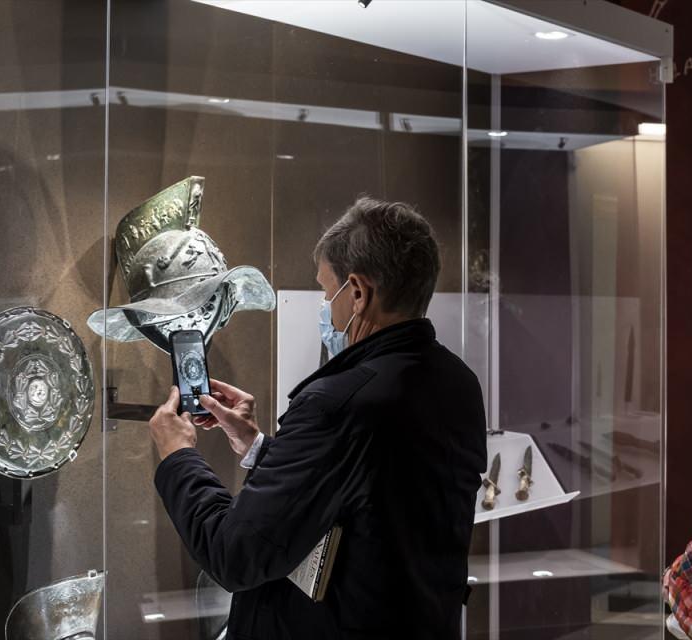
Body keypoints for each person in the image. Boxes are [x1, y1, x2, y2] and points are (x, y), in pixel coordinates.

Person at [148, 197, 488, 639]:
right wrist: (258, 447)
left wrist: (178, 456)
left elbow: (235, 555)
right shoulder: (458, 382)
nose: (327, 306)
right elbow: (366, 496)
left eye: (328, 292)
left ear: (358, 293)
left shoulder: (339, 403)